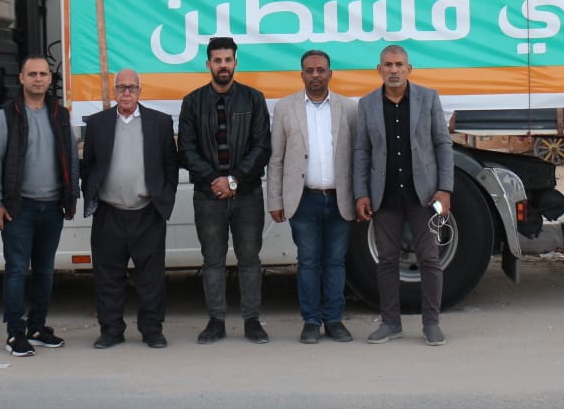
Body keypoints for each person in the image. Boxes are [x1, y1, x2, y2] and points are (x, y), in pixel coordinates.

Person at [353, 45, 453, 346]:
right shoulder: (367, 104)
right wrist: (361, 193)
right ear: (379, 69)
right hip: (384, 196)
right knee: (386, 260)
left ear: (409, 69)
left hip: (424, 196)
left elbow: (442, 144)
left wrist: (445, 189)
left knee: (429, 259)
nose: (393, 70)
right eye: (388, 65)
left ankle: (431, 323)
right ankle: (390, 323)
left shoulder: (428, 98)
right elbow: (362, 150)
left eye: (399, 64)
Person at [178, 36, 272, 344]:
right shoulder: (192, 102)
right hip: (208, 196)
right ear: (208, 64)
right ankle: (216, 321)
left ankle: (252, 321)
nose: (223, 65)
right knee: (213, 260)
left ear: (235, 63)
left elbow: (262, 146)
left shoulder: (253, 99)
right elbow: (186, 149)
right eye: (217, 60)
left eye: (228, 60)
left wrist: (234, 180)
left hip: (247, 194)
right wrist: (214, 180)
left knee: (250, 259)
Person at [0, 56, 78, 357]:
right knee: (16, 270)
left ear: (50, 79)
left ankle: (37, 328)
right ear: (21, 78)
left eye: (43, 74)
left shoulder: (60, 114)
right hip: (18, 208)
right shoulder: (6, 116)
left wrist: (71, 197)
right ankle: (15, 333)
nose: (38, 79)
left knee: (45, 271)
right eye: (32, 74)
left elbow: (71, 158)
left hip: (52, 207)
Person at [80, 69, 180, 349]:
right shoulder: (98, 123)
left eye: (132, 88)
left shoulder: (159, 122)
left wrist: (164, 197)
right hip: (109, 213)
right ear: (114, 91)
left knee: (151, 278)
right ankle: (111, 330)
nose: (126, 93)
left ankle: (152, 330)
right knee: (107, 277)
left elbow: (170, 166)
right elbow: (88, 166)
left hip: (147, 212)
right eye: (121, 87)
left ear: (140, 91)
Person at [268, 49, 357, 344]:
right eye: (310, 70)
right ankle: (310, 321)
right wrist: (275, 200)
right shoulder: (285, 108)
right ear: (302, 75)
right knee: (307, 261)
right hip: (303, 199)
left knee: (336, 262)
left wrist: (362, 196)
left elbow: (359, 156)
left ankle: (333, 320)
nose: (315, 75)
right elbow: (276, 159)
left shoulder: (349, 108)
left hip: (340, 198)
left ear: (330, 74)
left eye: (321, 70)